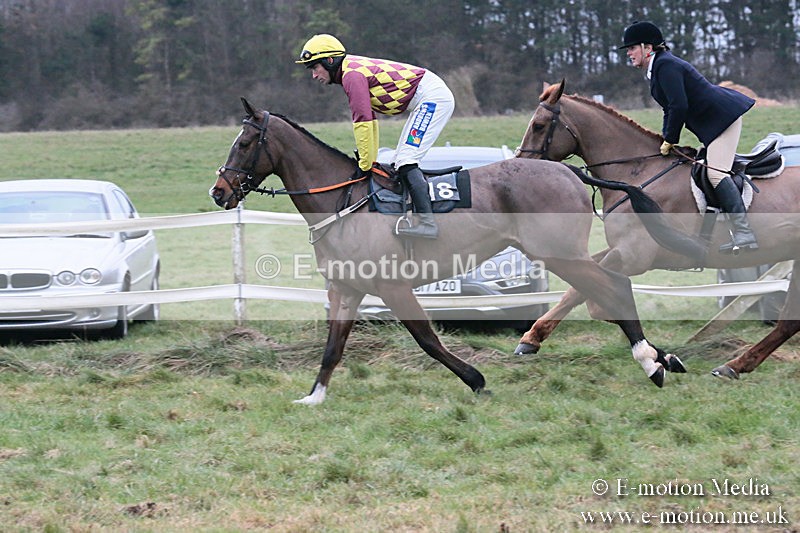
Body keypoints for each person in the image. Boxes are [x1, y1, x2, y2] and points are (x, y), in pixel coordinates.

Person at [296, 34, 455, 239]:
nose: (314, 75)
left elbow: (363, 121)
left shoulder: (352, 75)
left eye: (314, 67)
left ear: (329, 60)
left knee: (406, 159)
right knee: (399, 161)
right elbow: (370, 120)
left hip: (433, 98)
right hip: (426, 97)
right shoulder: (350, 72)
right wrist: (368, 160)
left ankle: (428, 224)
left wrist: (364, 164)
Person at [620, 21, 758, 253]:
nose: (629, 54)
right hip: (713, 123)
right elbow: (669, 108)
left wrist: (671, 138)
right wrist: (666, 137)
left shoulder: (666, 66)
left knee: (715, 174)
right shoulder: (658, 68)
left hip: (723, 119)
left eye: (632, 48)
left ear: (648, 48)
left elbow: (679, 106)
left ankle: (745, 234)